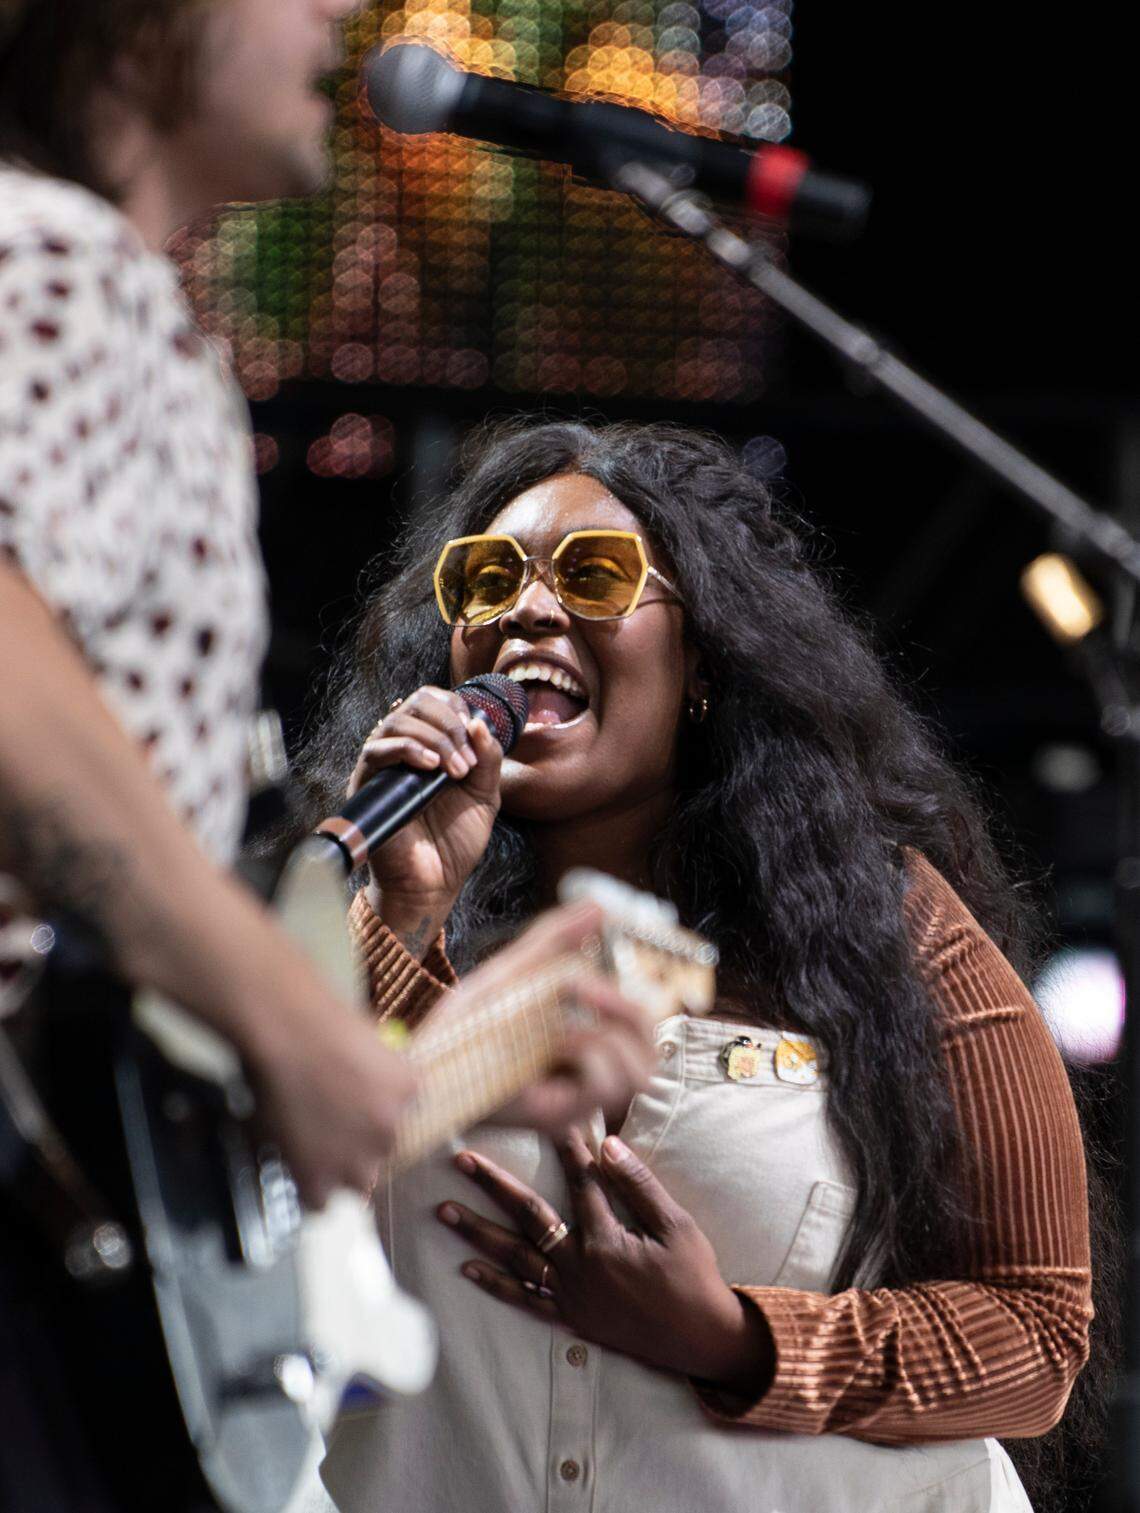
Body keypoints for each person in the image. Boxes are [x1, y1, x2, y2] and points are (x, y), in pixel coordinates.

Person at [0, 9, 653, 1508]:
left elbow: (114, 951)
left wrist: (416, 1062)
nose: (340, 18)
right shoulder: (48, 260)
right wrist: (292, 1034)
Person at [291, 419, 1096, 1513]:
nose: (526, 608)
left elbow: (1036, 1331)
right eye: (487, 579)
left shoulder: (887, 925)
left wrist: (732, 1338)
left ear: (705, 657)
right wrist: (403, 910)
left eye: (593, 574)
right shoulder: (363, 915)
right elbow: (282, 1220)